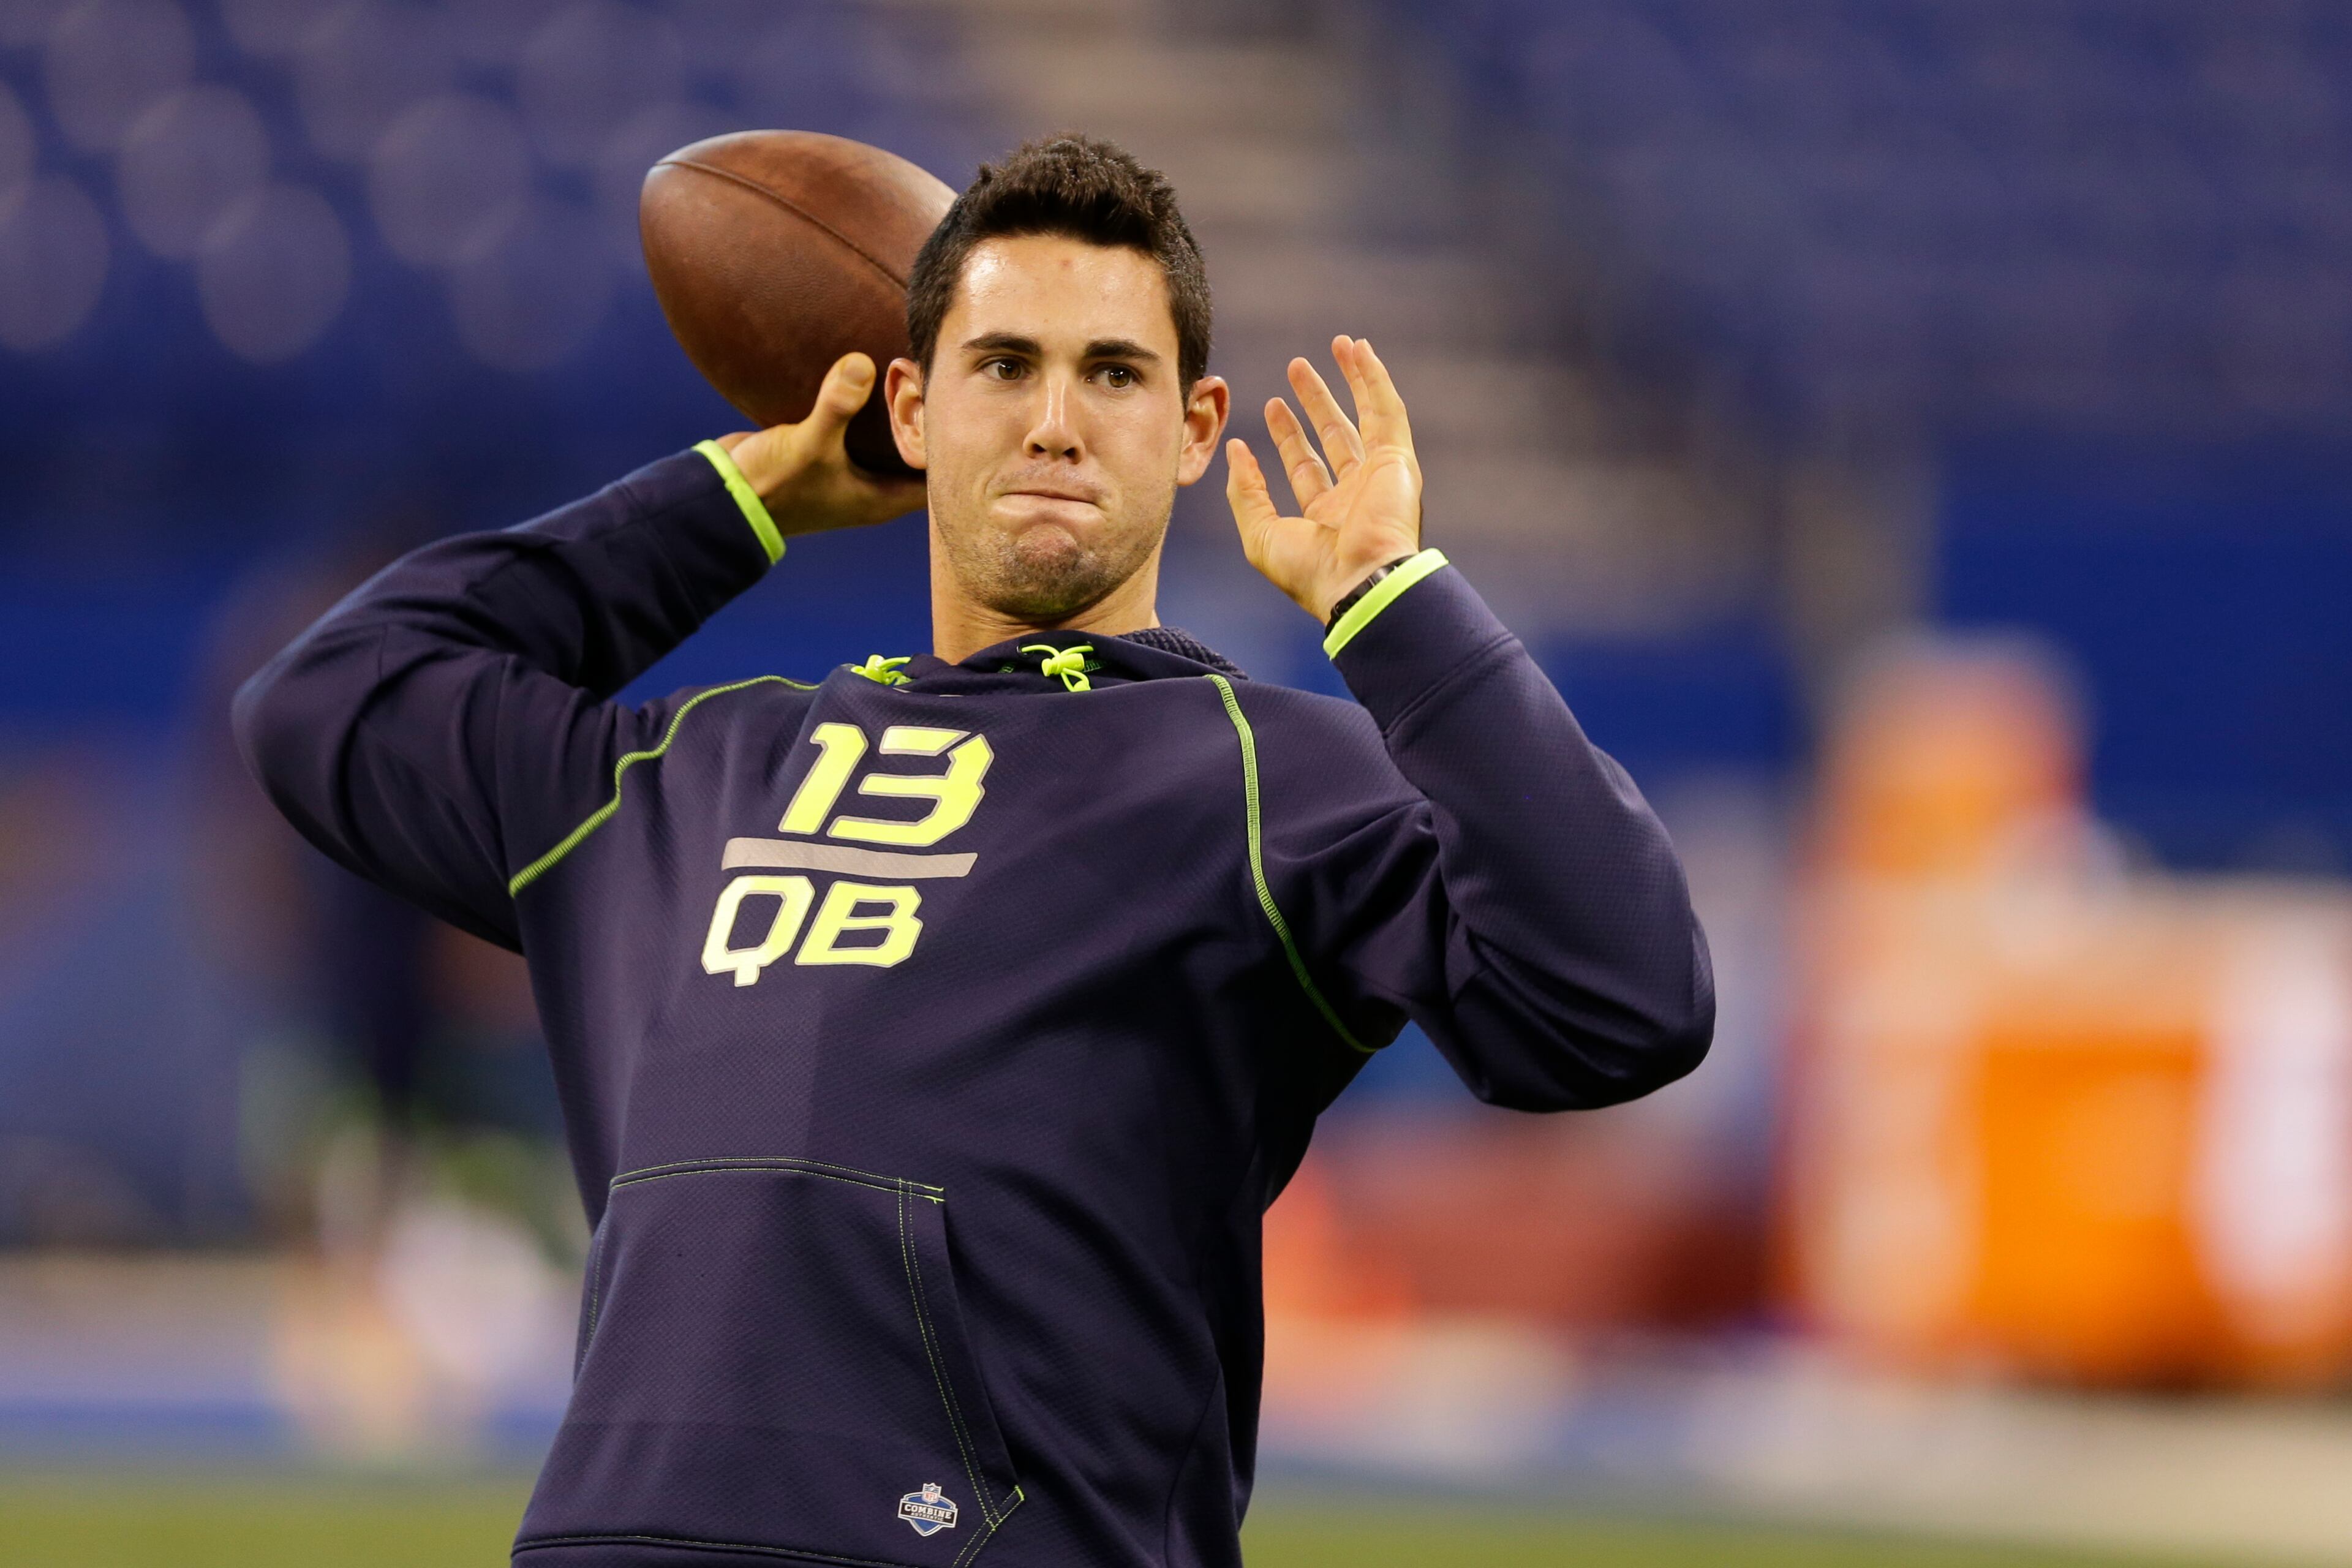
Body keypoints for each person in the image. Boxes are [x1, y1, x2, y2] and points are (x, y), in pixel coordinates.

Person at [236, 135, 1713, 1568]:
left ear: (1195, 429)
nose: (1056, 421)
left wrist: (1393, 600)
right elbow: (327, 702)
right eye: (1003, 366)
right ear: (911, 406)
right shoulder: (686, 766)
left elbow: (1624, 996)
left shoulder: (1271, 766)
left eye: (1113, 373)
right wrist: (739, 496)